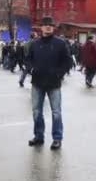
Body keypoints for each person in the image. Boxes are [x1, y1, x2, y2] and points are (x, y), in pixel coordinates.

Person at [26, 17, 73, 150]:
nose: (48, 27)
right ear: (41, 28)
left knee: (56, 112)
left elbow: (67, 61)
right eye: (45, 25)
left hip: (54, 83)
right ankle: (39, 136)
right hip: (37, 83)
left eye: (50, 25)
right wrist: (32, 69)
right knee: (36, 111)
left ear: (53, 28)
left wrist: (59, 73)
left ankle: (57, 138)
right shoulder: (35, 43)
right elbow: (28, 59)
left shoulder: (60, 43)